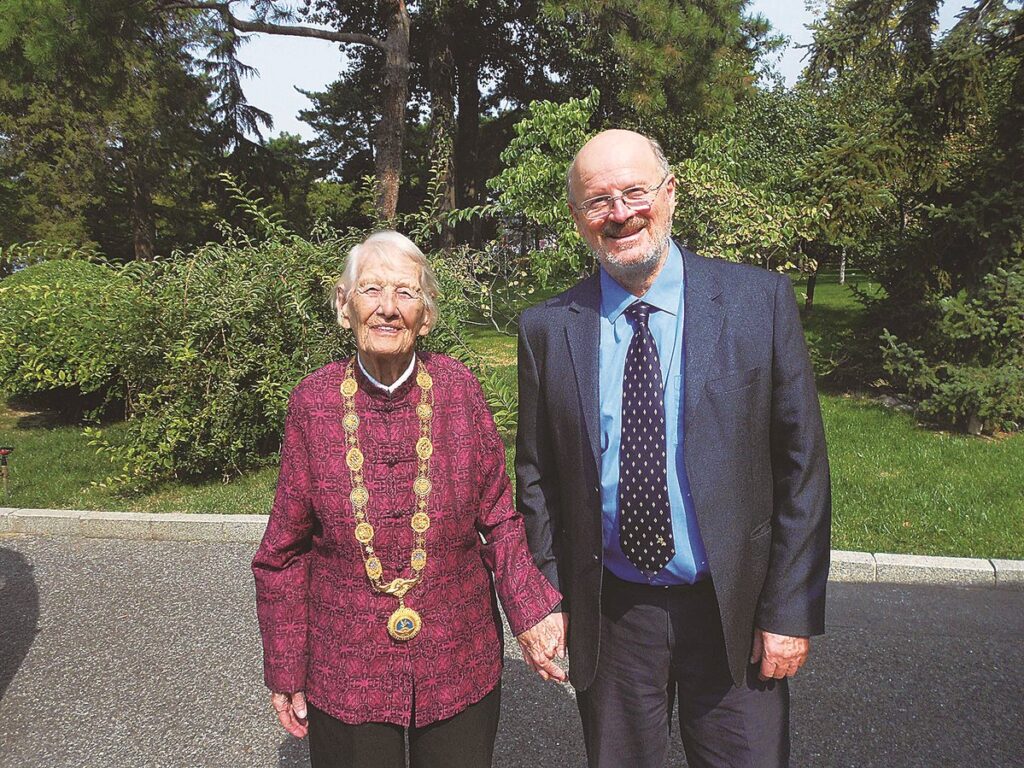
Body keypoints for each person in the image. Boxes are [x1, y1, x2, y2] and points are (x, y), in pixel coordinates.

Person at [514, 129, 831, 767]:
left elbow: (802, 470)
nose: (621, 212)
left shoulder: (756, 303)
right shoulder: (548, 328)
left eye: (635, 192)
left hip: (733, 610)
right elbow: (536, 475)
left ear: (670, 195)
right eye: (598, 200)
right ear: (578, 219)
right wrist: (546, 593)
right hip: (614, 612)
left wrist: (789, 609)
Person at [253, 230, 561, 768]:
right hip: (345, 664)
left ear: (427, 314)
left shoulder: (460, 389)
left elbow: (501, 518)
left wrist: (531, 610)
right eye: (371, 290)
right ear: (345, 309)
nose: (388, 308)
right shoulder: (314, 401)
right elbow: (282, 552)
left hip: (457, 653)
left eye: (406, 292)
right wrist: (285, 666)